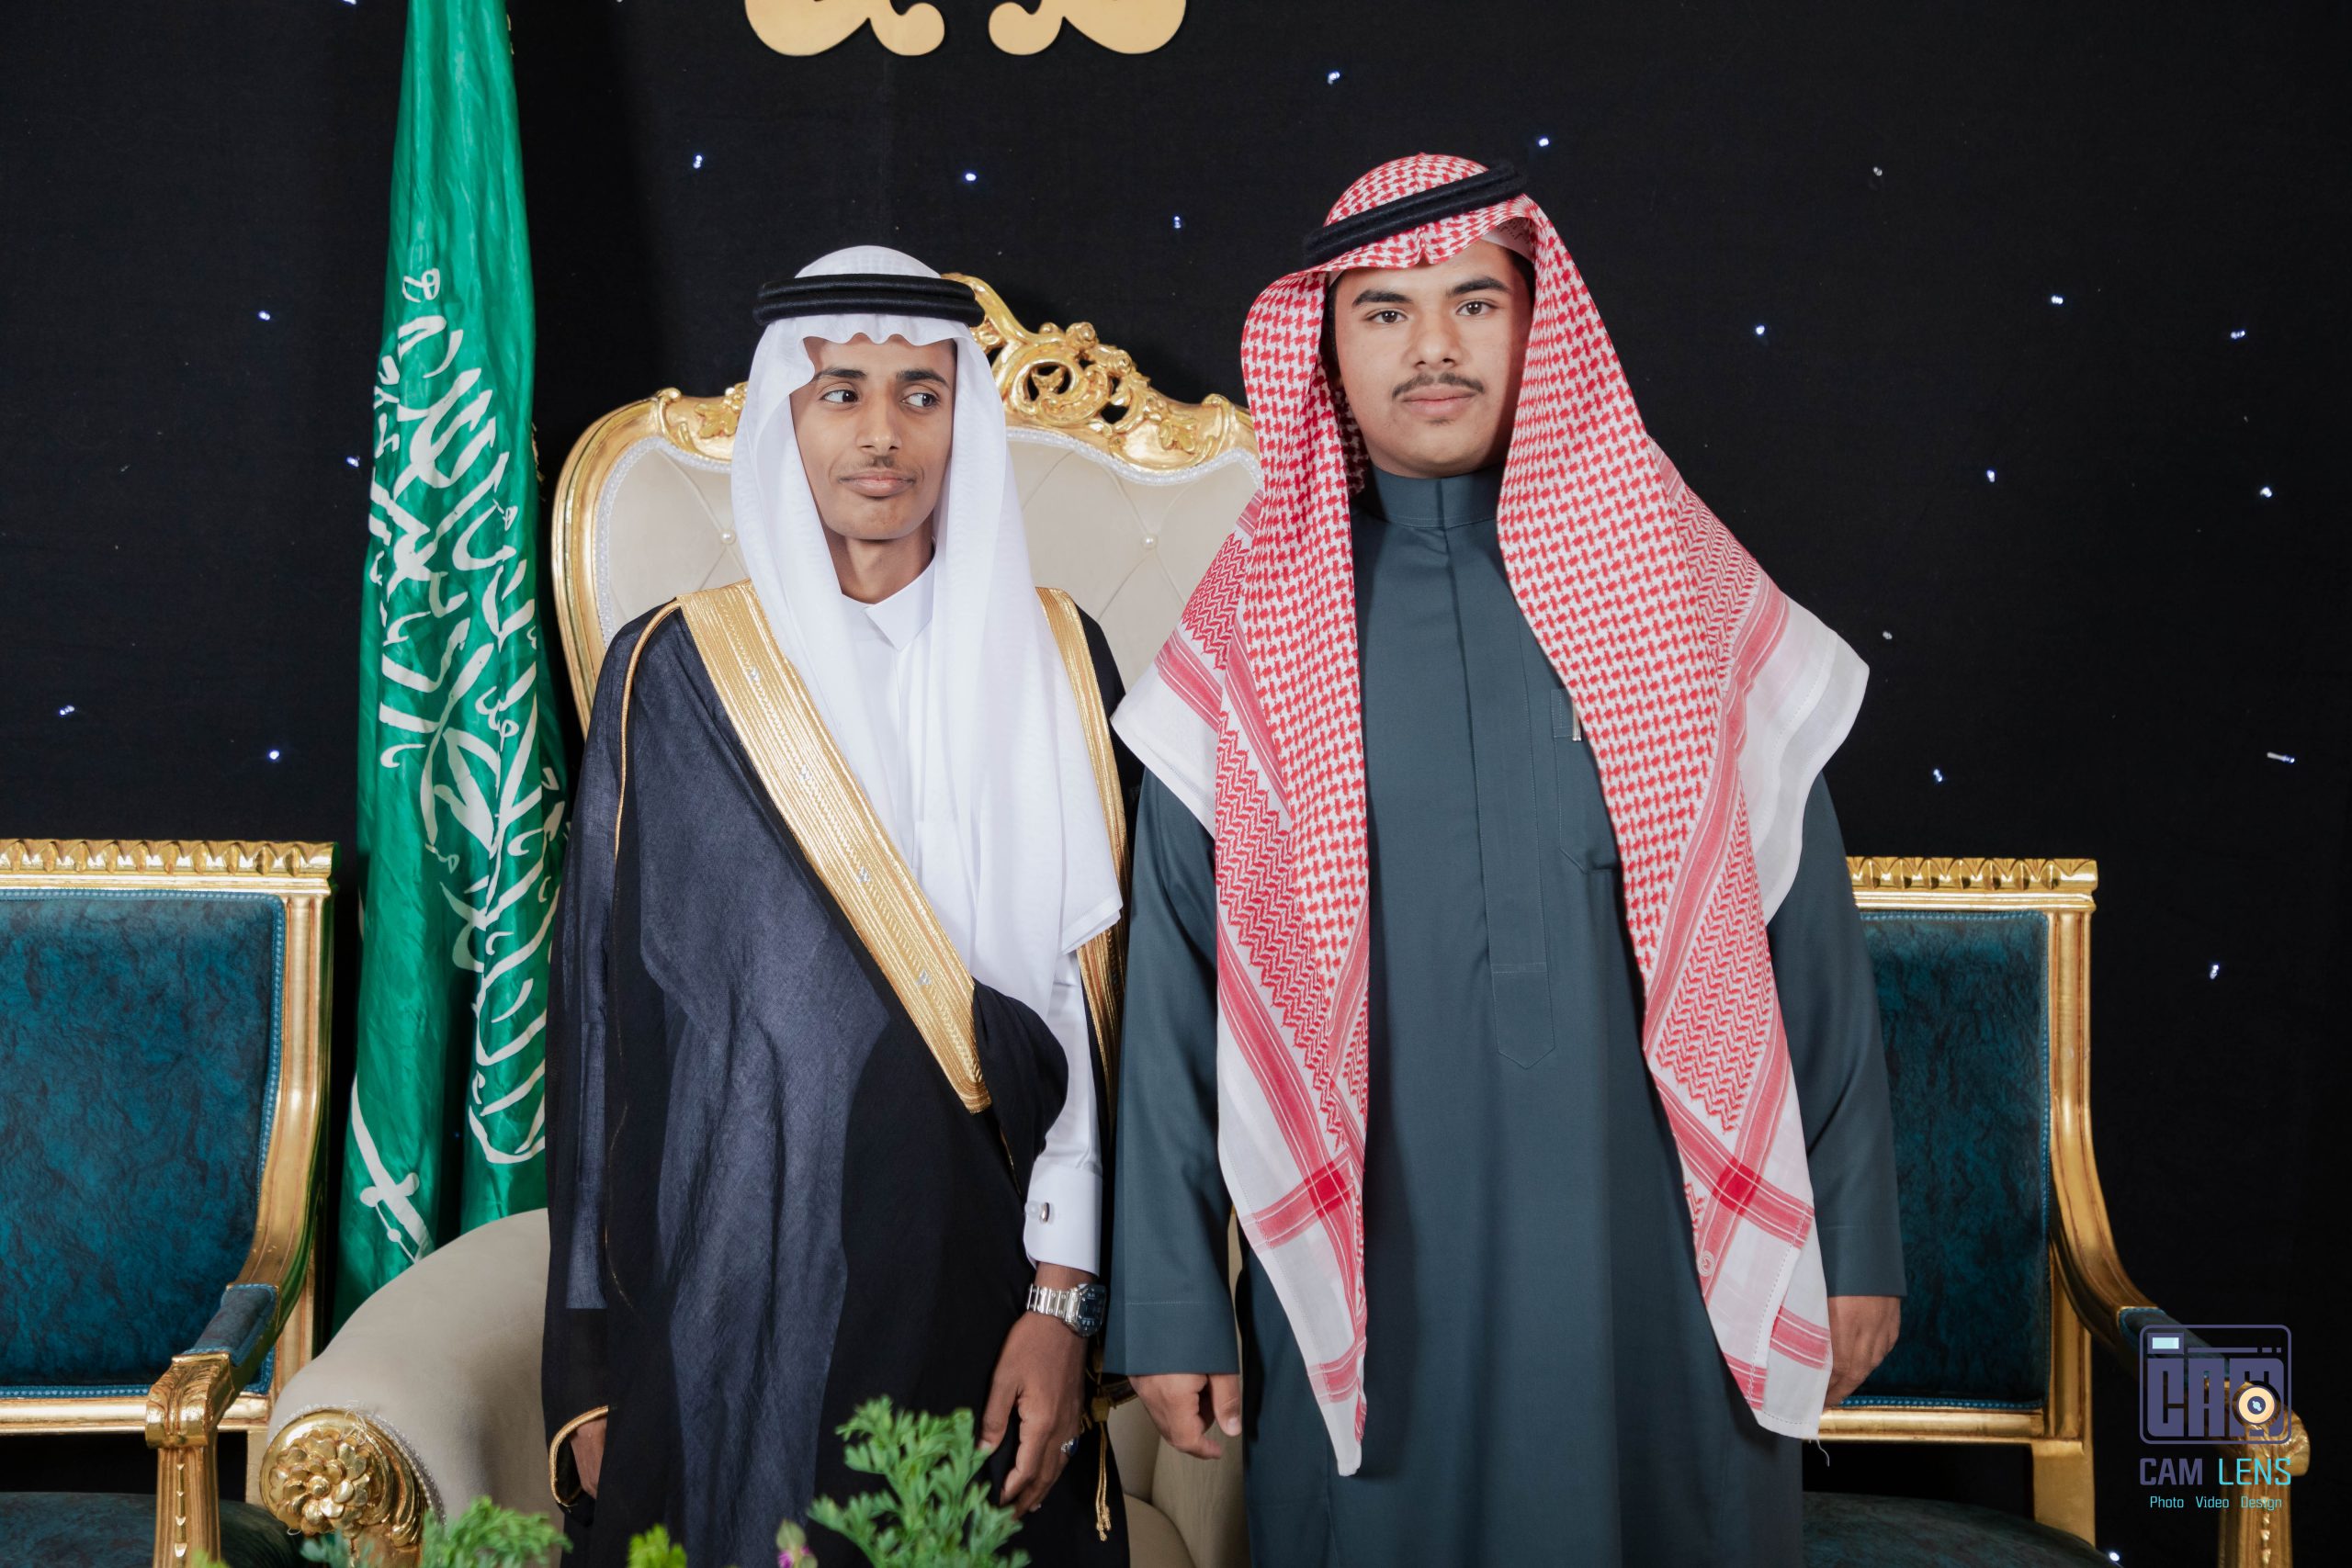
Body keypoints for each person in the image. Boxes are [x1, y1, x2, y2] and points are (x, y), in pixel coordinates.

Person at [1106, 155, 1905, 1565]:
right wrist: (1172, 1297)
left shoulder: (1674, 584)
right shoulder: (1246, 648)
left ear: (1540, 324)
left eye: (1476, 302)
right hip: (1379, 1275)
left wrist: (1851, 1237)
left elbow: (1806, 941)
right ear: (1324, 348)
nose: (1434, 346)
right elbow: (1177, 987)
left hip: (1661, 1271)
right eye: (1385, 310)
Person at [541, 247, 1132, 1568]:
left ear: (964, 420)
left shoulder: (1054, 654)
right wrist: (590, 1361)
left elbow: (1083, 1012)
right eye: (841, 393)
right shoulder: (674, 669)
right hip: (733, 1290)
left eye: (922, 394)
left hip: (982, 1278)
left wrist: (1063, 1306)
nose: (882, 435)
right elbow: (602, 1030)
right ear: (784, 422)